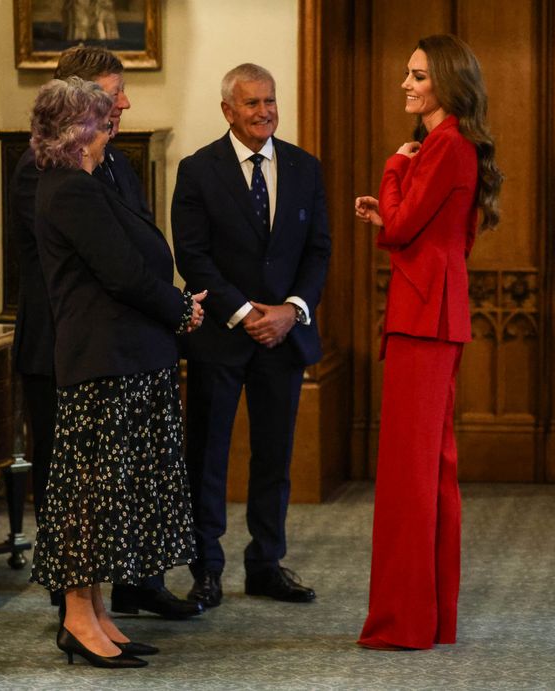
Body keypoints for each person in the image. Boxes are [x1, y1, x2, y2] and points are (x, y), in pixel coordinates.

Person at [10, 46, 203, 621]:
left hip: (125, 341)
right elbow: (104, 265)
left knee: (124, 478)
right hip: (68, 344)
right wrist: (174, 306)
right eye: (112, 92)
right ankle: (73, 604)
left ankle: (130, 585)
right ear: (78, 103)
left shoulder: (112, 161)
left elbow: (136, 246)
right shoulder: (43, 172)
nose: (123, 102)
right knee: (76, 483)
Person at [353, 34, 503, 650]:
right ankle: (428, 618)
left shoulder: (445, 144)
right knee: (430, 473)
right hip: (433, 311)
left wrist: (394, 167)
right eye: (407, 74)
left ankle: (404, 622)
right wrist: (396, 204)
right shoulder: (451, 145)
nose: (407, 85)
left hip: (424, 315)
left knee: (408, 478)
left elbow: (405, 224)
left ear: (445, 80)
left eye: (418, 76)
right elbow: (419, 225)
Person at [172, 63, 331, 608]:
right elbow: (191, 256)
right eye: (252, 103)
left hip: (285, 339)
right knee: (208, 457)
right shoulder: (197, 171)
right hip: (222, 337)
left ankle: (266, 562)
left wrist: (291, 310)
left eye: (270, 101)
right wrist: (245, 313)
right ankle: (206, 568)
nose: (264, 111)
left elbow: (318, 251)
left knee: (274, 457)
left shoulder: (305, 168)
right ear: (227, 110)